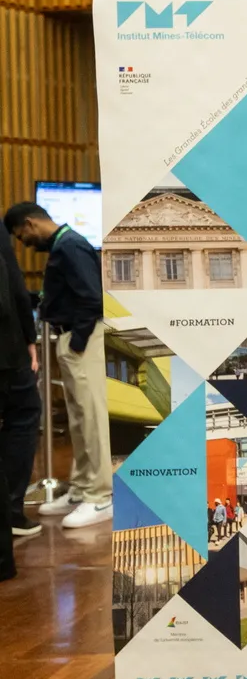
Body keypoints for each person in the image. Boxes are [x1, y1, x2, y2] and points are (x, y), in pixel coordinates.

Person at [5, 202, 109, 530]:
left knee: (90, 418)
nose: (25, 243)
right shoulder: (66, 245)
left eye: (22, 236)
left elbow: (92, 299)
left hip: (81, 339)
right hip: (72, 339)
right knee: (79, 420)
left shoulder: (72, 246)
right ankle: (81, 489)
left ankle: (101, 495)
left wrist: (77, 343)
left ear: (31, 223)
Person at [0, 239, 39, 580]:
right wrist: (29, 336)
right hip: (5, 345)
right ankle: (11, 510)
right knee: (24, 415)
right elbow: (11, 279)